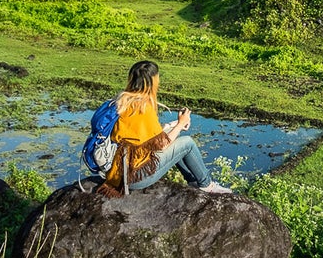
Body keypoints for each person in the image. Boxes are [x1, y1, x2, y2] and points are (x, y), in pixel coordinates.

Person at [96, 60, 232, 197]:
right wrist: (180, 124)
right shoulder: (143, 107)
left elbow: (141, 136)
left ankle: (192, 180)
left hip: (118, 172)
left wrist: (173, 125)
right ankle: (206, 184)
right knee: (188, 143)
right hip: (135, 176)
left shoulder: (121, 101)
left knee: (174, 136)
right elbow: (161, 145)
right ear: (152, 82)